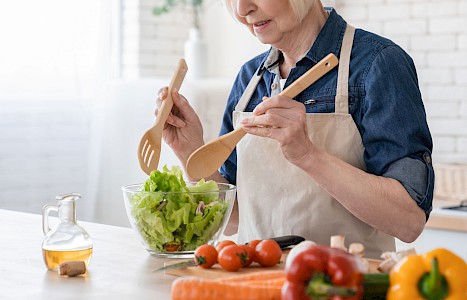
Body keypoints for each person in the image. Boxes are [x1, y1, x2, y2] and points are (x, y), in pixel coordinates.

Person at [155, 0, 434, 258]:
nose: (242, 9)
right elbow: (236, 219)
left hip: (343, 286)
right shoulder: (249, 80)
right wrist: (190, 148)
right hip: (255, 285)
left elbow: (408, 220)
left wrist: (308, 156)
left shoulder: (377, 64)